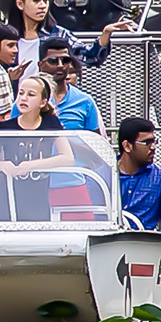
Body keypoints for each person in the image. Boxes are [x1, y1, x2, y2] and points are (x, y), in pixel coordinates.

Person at [11, 38, 105, 221]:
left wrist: (63, 138)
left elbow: (99, 151)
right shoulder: (22, 101)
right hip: (31, 184)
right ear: (40, 64)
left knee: (80, 238)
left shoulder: (85, 101)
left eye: (66, 60)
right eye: (53, 61)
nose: (61, 66)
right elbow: (11, 144)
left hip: (71, 183)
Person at [0, 74, 75, 221]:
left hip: (38, 200)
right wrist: (1, 165)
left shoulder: (50, 124)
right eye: (21, 93)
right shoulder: (5, 128)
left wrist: (31, 165)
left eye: (31, 94)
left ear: (43, 102)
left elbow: (67, 158)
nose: (24, 98)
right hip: (8, 197)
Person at [6, 0, 132, 81]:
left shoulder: (58, 34)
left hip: (52, 104)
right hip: (16, 105)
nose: (42, 6)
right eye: (36, 1)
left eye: (45, 0)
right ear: (20, 4)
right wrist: (8, 78)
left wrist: (106, 34)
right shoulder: (7, 36)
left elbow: (91, 58)